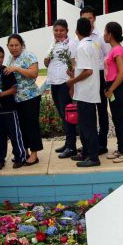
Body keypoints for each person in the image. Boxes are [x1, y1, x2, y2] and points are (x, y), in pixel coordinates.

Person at [0, 45, 26, 170]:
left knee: (14, 135)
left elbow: (14, 89)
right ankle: (0, 160)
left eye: (1, 57)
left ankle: (19, 157)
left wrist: (2, 94)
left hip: (9, 109)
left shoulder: (6, 71)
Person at [68, 17, 101, 167]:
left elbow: (88, 71)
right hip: (90, 91)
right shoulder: (93, 44)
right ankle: (87, 152)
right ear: (90, 30)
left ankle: (93, 157)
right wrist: (75, 72)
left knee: (88, 127)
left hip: (85, 93)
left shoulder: (81, 47)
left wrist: (72, 81)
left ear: (76, 32)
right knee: (86, 125)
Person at [5, 34, 42, 166]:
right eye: (11, 45)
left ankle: (34, 154)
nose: (14, 48)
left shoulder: (28, 56)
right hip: (16, 98)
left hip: (30, 97)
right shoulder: (10, 58)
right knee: (20, 127)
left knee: (31, 125)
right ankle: (24, 152)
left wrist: (17, 68)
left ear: (22, 45)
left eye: (16, 45)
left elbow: (34, 74)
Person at [45, 20, 78, 159]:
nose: (58, 33)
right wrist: (46, 60)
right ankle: (67, 143)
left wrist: (72, 85)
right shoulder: (53, 43)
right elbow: (47, 62)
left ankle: (72, 147)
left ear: (67, 31)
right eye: (56, 30)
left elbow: (74, 64)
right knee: (62, 115)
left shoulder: (71, 44)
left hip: (65, 83)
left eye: (61, 30)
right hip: (54, 83)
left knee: (68, 115)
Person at [80, 6, 110, 155]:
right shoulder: (79, 38)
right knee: (88, 114)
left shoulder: (100, 37)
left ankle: (102, 144)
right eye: (84, 18)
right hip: (86, 79)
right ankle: (89, 144)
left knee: (102, 112)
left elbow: (108, 57)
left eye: (90, 18)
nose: (88, 21)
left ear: (95, 19)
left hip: (99, 76)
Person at [103, 22, 123, 163]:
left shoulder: (117, 50)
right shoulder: (113, 49)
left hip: (117, 88)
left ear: (110, 34)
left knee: (119, 119)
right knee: (117, 118)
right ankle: (120, 149)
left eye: (105, 32)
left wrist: (111, 89)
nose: (104, 35)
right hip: (112, 87)